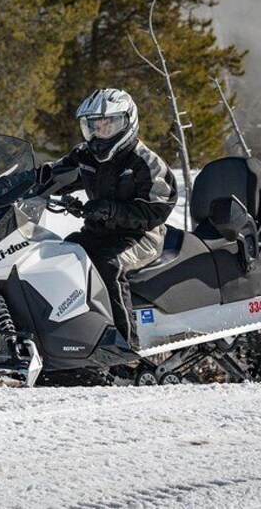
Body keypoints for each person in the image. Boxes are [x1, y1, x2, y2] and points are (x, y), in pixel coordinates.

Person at [48, 88, 177, 349]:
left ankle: (124, 348)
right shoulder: (86, 156)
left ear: (127, 122)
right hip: (99, 233)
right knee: (60, 257)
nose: (100, 132)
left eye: (109, 124)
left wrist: (112, 211)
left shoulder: (145, 162)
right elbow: (50, 176)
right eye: (94, 125)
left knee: (108, 265)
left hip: (141, 235)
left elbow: (158, 209)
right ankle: (66, 340)